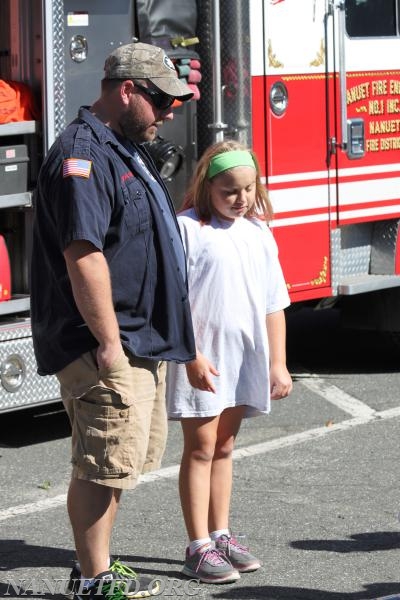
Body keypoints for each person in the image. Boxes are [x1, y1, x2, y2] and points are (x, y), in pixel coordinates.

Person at [30, 42, 197, 600]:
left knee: (119, 462)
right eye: (160, 100)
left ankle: (96, 570)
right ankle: (92, 578)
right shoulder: (84, 154)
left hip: (137, 339)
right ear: (126, 90)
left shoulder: (122, 144)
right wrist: (108, 345)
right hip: (106, 342)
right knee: (101, 463)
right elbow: (85, 256)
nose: (170, 110)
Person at [166, 139, 293, 584]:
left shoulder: (258, 232)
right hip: (202, 360)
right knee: (200, 449)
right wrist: (191, 355)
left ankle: (220, 533)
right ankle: (197, 544)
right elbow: (175, 301)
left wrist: (278, 362)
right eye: (229, 191)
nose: (240, 199)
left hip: (243, 358)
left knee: (224, 447)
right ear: (206, 187)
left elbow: (274, 303)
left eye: (248, 189)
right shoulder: (186, 228)